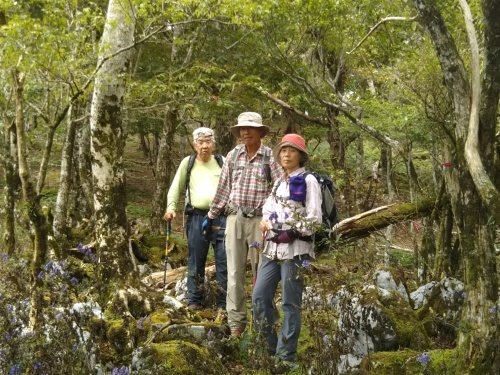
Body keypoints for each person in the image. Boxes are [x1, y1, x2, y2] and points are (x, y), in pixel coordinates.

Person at [203, 112, 283, 337]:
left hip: (261, 221)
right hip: (235, 219)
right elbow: (224, 187)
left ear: (260, 131)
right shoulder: (233, 155)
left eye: (250, 128)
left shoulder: (270, 157)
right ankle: (236, 323)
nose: (245, 132)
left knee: (262, 274)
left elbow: (279, 191)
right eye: (242, 129)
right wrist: (211, 215)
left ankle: (264, 322)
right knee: (234, 273)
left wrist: (275, 219)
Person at [252, 133, 322, 371]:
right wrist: (265, 222)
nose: (286, 155)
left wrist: (292, 232)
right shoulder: (279, 181)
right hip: (272, 247)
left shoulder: (309, 180)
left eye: (291, 151)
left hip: (297, 250)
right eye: (283, 150)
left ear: (301, 155)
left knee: (291, 303)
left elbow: (315, 219)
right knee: (260, 297)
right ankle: (269, 347)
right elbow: (268, 209)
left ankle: (285, 355)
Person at [164, 127, 227, 312]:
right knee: (196, 260)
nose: (204, 146)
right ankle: (194, 300)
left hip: (221, 218)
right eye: (200, 142)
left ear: (213, 144)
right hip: (197, 217)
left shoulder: (222, 162)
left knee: (223, 261)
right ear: (194, 144)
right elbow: (176, 186)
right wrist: (171, 208)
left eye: (208, 142)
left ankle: (223, 303)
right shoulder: (188, 163)